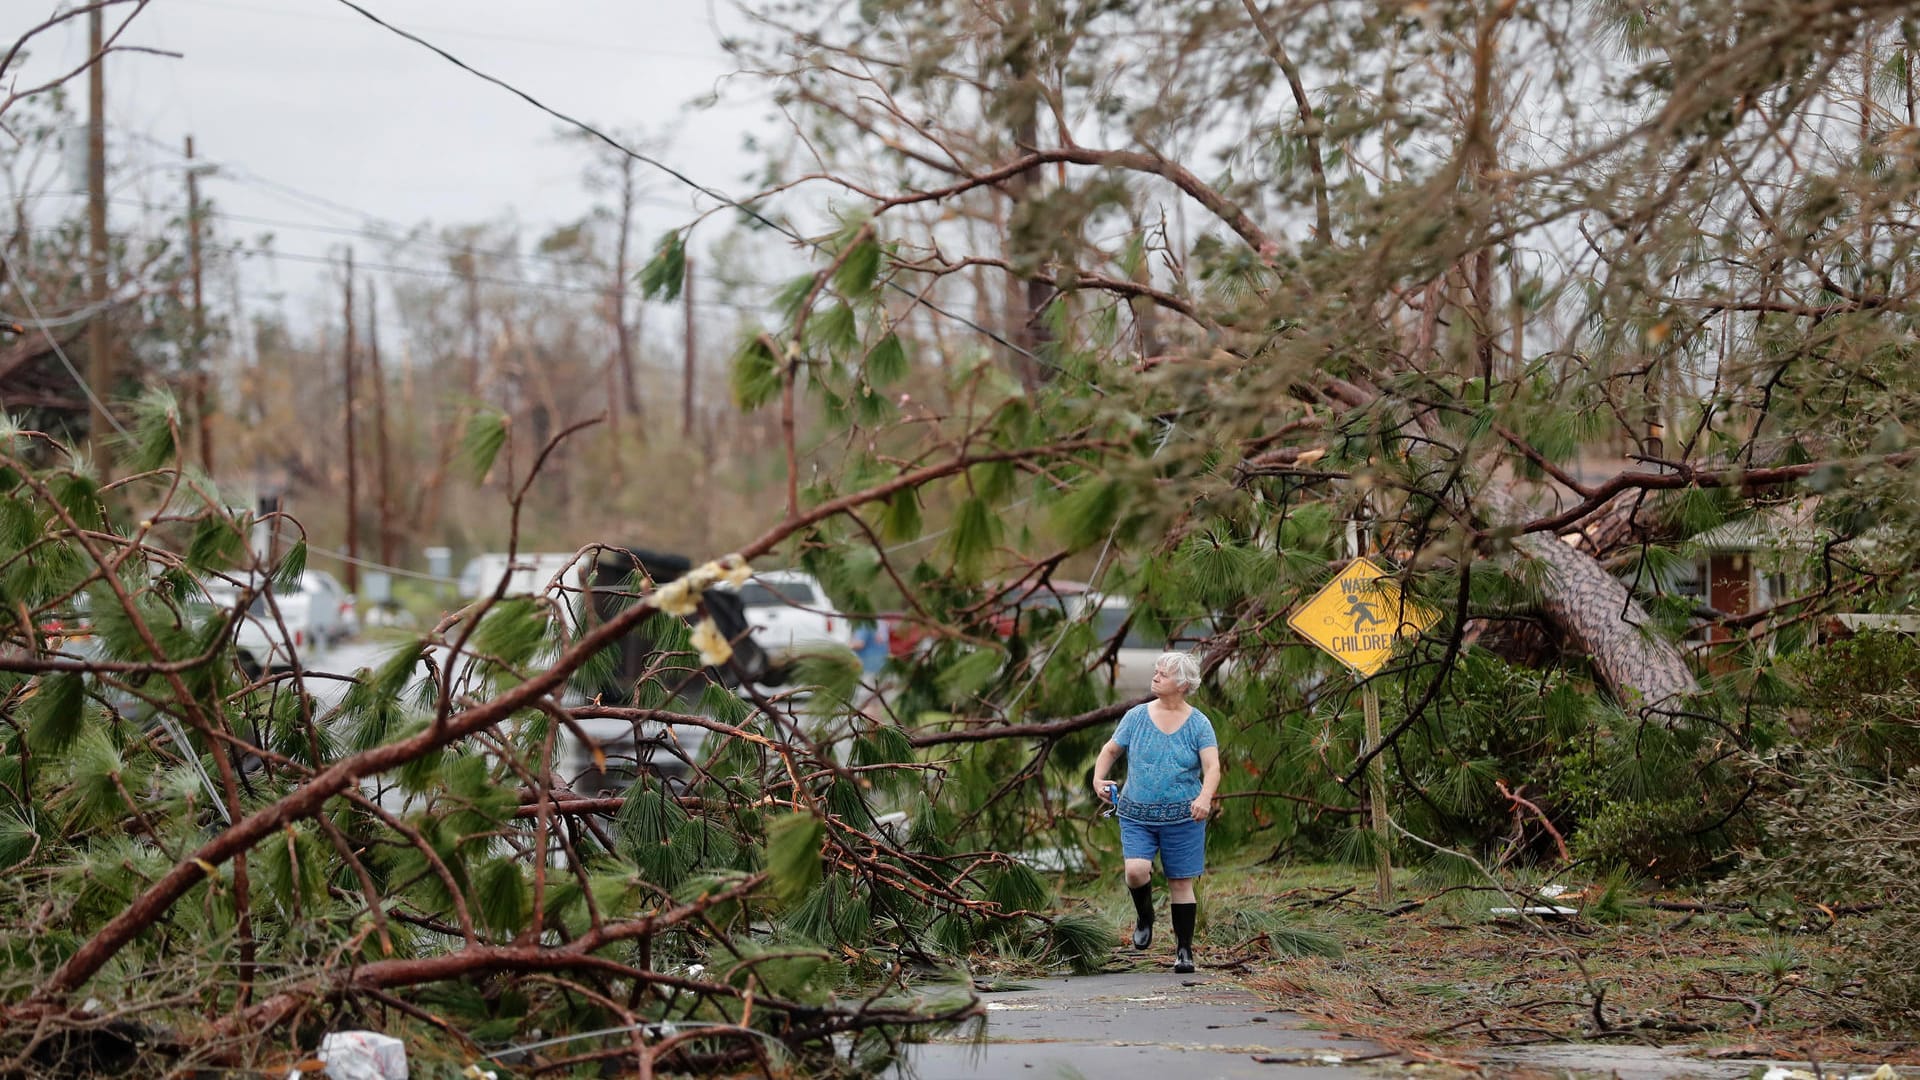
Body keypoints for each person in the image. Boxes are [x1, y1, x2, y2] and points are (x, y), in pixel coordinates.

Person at [1090, 650, 1220, 973]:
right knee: (1135, 871)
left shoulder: (1199, 724)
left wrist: (1205, 797)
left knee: (1180, 884)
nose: (1157, 675)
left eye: (1165, 673)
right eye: (1157, 670)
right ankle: (1145, 914)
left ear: (1183, 685)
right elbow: (1110, 749)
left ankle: (1184, 950)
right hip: (1137, 814)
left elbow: (1213, 767)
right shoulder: (1136, 717)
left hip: (1184, 817)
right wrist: (1097, 778)